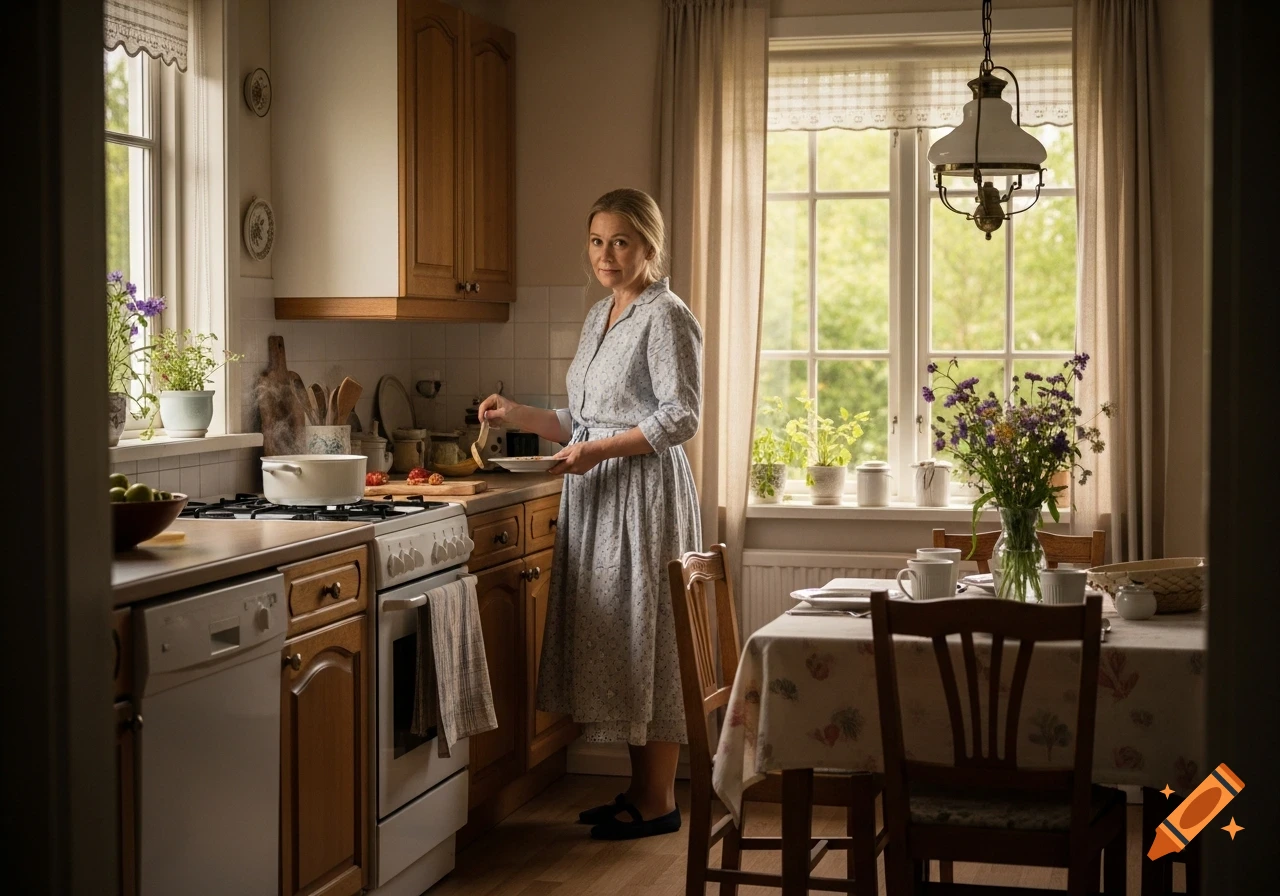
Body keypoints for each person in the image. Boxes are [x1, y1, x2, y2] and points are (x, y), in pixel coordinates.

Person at [477, 188, 703, 841]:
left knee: (645, 633)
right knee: (619, 636)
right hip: (598, 492)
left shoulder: (666, 316)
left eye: (621, 241)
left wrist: (598, 449)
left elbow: (680, 415)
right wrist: (515, 414)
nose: (606, 254)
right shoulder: (600, 314)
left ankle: (658, 799)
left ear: (649, 247)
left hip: (641, 495)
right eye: (598, 241)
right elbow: (580, 421)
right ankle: (638, 790)